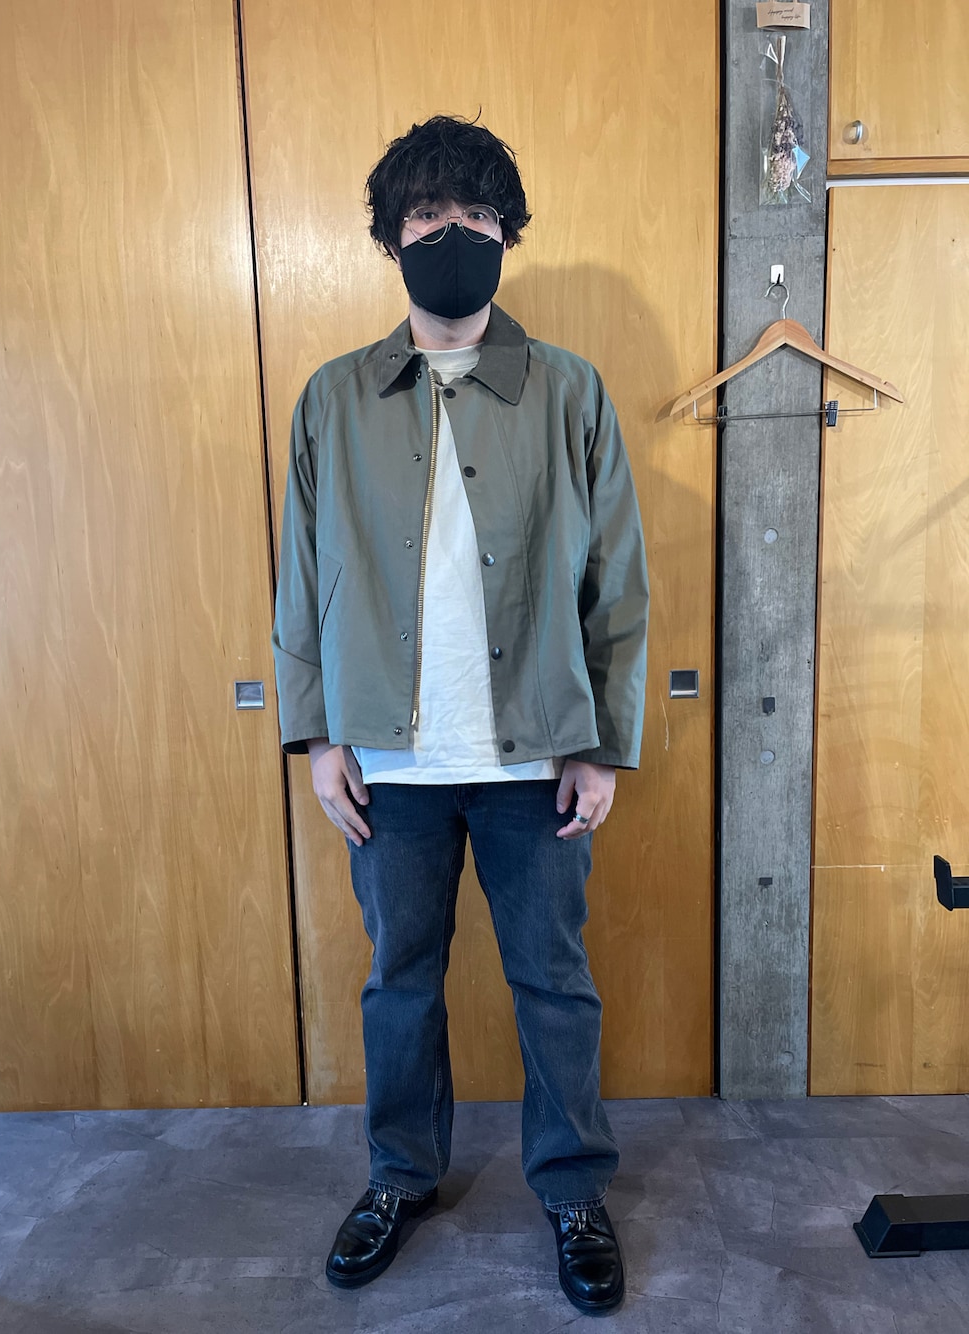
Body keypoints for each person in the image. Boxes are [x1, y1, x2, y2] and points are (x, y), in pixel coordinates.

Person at [271, 114, 649, 1317]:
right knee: (400, 982)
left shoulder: (568, 389)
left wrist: (602, 742)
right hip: (390, 760)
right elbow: (301, 578)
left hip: (537, 752)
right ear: (392, 236)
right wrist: (317, 735)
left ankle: (573, 1189)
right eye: (428, 215)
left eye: (477, 215)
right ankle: (398, 1176)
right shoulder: (334, 397)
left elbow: (617, 582)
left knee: (554, 980)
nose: (453, 234)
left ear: (505, 234)